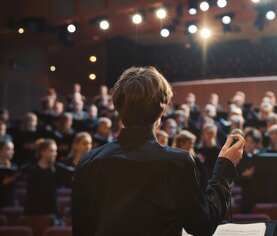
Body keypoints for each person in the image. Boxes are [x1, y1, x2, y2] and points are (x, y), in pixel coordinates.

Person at [73, 66, 244, 236]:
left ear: (118, 108)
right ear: (160, 113)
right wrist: (224, 168)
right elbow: (202, 225)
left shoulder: (88, 162)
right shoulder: (177, 162)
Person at [25, 138, 59, 216]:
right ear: (43, 152)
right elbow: (30, 192)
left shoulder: (55, 169)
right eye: (51, 151)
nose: (55, 153)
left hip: (51, 208)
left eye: (55, 151)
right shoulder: (33, 170)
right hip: (36, 209)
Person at [0, 140, 19, 208]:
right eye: (8, 149)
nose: (12, 152)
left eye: (12, 149)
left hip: (10, 202)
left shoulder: (14, 167)